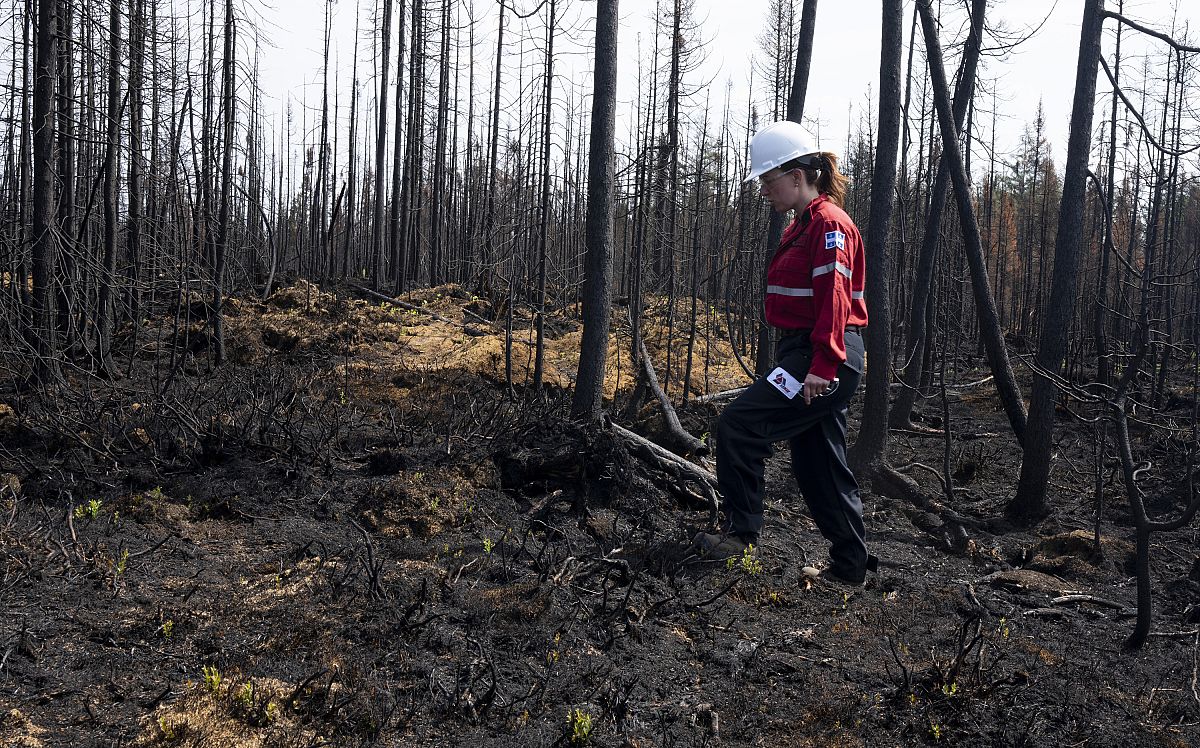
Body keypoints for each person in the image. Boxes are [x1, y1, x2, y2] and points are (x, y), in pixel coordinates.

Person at [693, 120, 875, 585]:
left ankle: (740, 536)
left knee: (738, 424)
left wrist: (822, 364)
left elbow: (834, 296)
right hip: (812, 352)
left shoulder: (829, 225)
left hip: (823, 354)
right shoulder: (805, 225)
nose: (763, 191)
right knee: (819, 464)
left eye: (767, 180)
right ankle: (850, 567)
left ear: (797, 175)